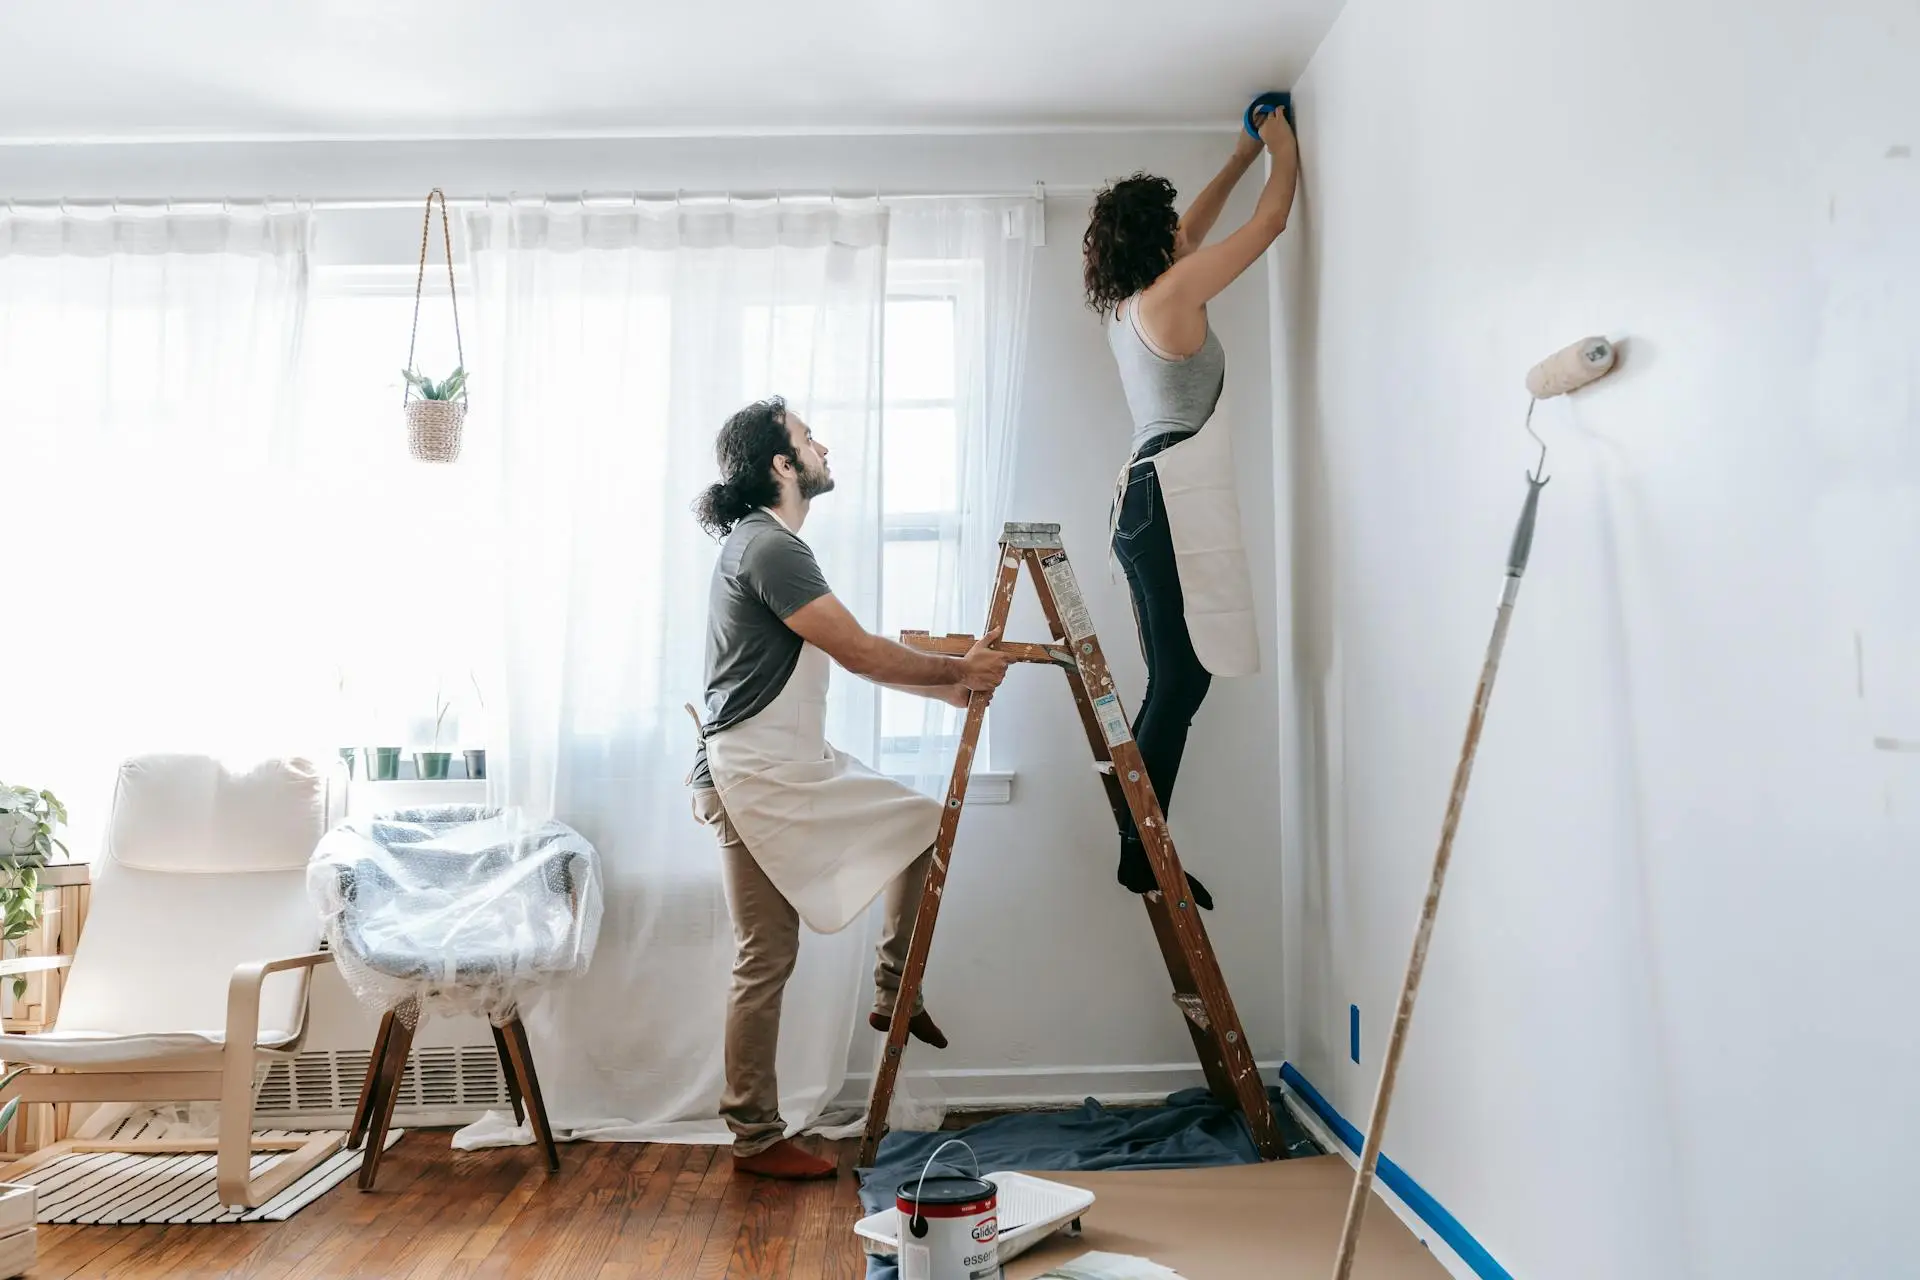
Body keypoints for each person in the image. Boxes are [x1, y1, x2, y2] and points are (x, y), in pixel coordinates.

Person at [687, 396, 1010, 1180]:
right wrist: (958, 674)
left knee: (916, 827)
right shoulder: (769, 548)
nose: (821, 445)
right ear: (780, 464)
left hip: (779, 760)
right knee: (765, 955)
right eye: (806, 438)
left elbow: (848, 657)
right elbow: (860, 652)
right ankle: (757, 1137)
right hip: (757, 771)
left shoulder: (763, 544)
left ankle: (895, 982)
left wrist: (950, 691)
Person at [1083, 107, 1300, 911]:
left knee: (1177, 677)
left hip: (1144, 495)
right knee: (1179, 680)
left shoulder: (1133, 303)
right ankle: (1139, 843)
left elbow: (1199, 225)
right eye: (1173, 228)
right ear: (1160, 242)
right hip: (1163, 493)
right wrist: (1279, 150)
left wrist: (1241, 154)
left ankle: (1139, 836)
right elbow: (1271, 225)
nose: (1187, 232)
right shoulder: (1172, 292)